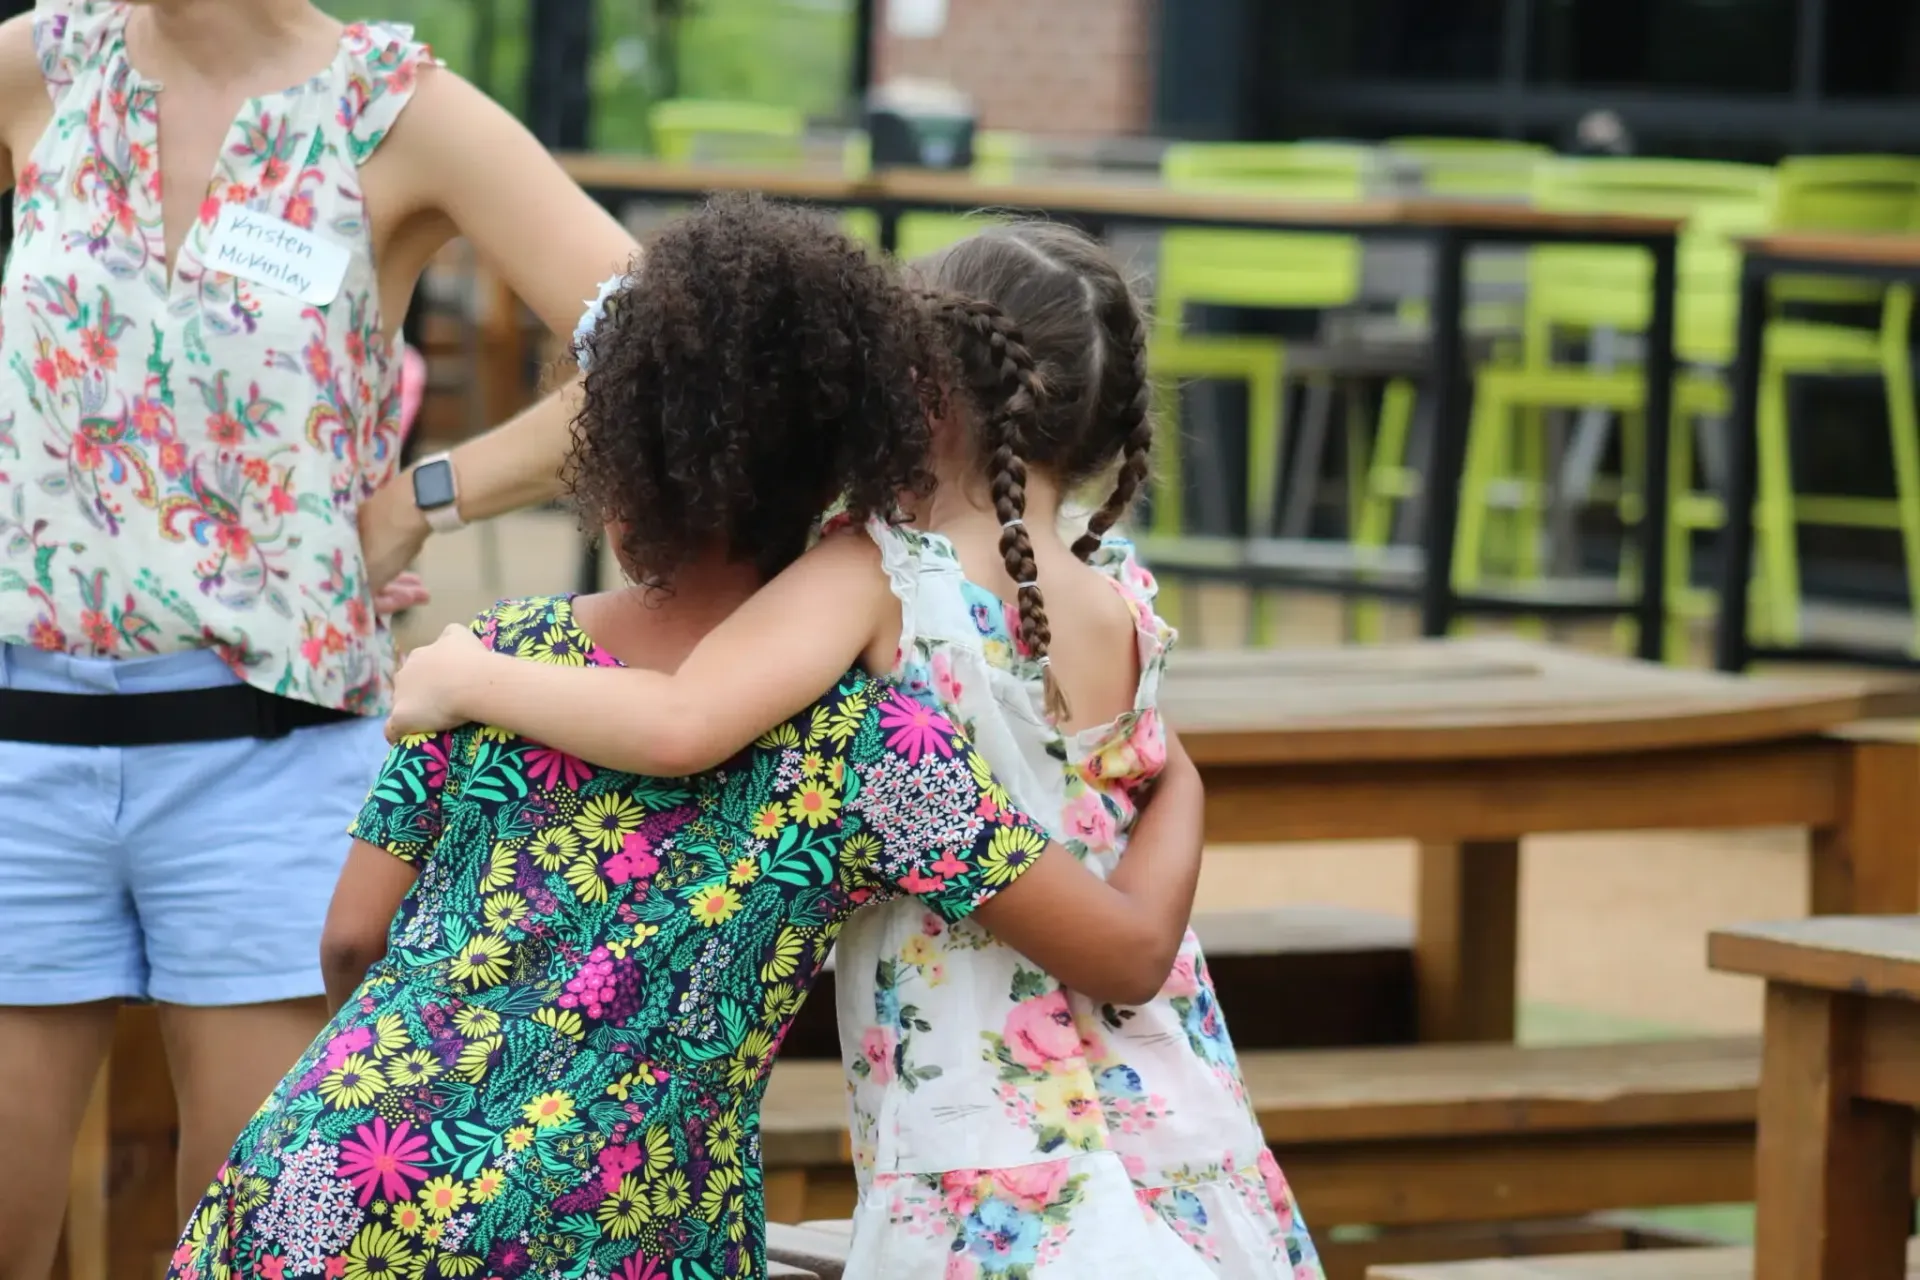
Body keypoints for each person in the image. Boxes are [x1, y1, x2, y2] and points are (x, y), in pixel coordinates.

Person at [168, 195, 1207, 1280]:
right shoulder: (873, 741)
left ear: (611, 459)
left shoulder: (493, 662)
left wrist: (419, 1076)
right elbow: (1128, 952)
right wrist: (1177, 776)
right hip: (621, 1228)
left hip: (327, 1177)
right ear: (844, 470)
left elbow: (347, 937)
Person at [389, 223, 1320, 1278]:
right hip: (1169, 1109)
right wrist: (1188, 778)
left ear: (913, 387)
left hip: (988, 1122)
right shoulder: (1124, 602)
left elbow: (682, 723)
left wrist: (469, 674)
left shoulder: (883, 574)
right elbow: (1153, 824)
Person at [0, 0, 635, 1267]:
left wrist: (425, 496)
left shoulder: (395, 108)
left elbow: (671, 348)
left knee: (247, 1248)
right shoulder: (36, 65)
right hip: (18, 751)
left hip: (270, 766)